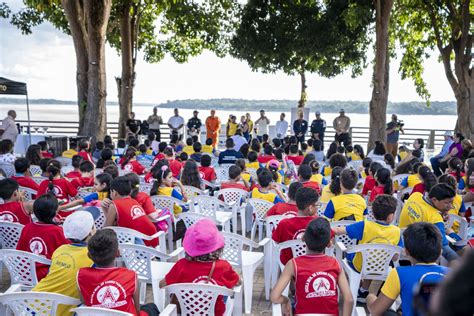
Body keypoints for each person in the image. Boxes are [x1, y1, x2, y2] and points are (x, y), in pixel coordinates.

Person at [271, 217, 353, 316]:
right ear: (328, 243)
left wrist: (286, 300)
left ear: (303, 238)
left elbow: (274, 297)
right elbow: (349, 300)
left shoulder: (293, 264)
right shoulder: (335, 264)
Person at [160, 219, 240, 316]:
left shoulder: (181, 265)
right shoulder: (224, 266)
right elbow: (237, 282)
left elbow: (162, 285)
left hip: (187, 311)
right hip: (215, 312)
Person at [367, 222, 448, 316]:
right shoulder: (455, 275)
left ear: (406, 252)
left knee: (386, 312)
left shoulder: (399, 273)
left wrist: (370, 296)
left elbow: (375, 311)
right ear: (440, 252)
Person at [334, 195, 402, 302]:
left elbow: (340, 231)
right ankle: (364, 289)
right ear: (390, 216)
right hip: (381, 267)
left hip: (359, 265)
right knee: (377, 260)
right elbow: (395, 257)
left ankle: (362, 289)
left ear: (373, 213)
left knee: (352, 253)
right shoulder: (397, 232)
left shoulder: (365, 226)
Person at [78, 229, 159, 315]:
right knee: (151, 307)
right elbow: (137, 310)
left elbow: (85, 302)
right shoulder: (130, 275)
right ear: (118, 253)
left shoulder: (81, 275)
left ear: (89, 255)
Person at [33, 211, 95, 315]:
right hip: (57, 311)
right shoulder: (93, 257)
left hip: (30, 302)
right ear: (91, 232)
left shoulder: (60, 249)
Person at [399, 183, 459, 263]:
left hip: (400, 242)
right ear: (434, 200)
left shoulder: (415, 195)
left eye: (451, 202)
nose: (450, 206)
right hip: (417, 254)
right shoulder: (435, 218)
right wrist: (460, 264)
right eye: (447, 203)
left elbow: (422, 212)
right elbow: (444, 248)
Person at [16, 194, 70, 281]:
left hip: (26, 272)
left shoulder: (27, 227)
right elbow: (67, 253)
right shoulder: (57, 231)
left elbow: (19, 251)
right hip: (46, 275)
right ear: (55, 212)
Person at [103, 177, 159, 247]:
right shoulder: (134, 201)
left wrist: (103, 207)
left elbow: (106, 228)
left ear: (114, 192)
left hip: (140, 245)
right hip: (153, 240)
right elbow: (114, 224)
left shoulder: (114, 204)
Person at [272, 186, 319, 266]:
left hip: (288, 263)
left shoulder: (284, 223)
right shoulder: (319, 223)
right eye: (317, 205)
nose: (318, 208)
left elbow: (276, 242)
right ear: (311, 208)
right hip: (313, 264)